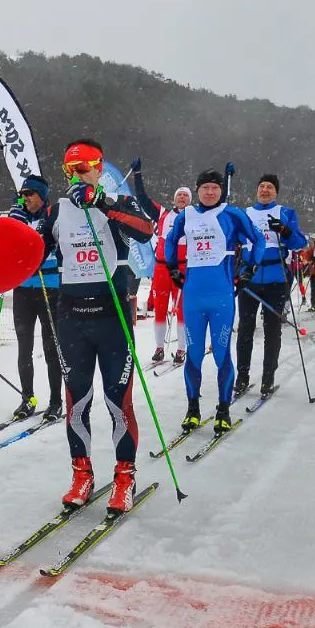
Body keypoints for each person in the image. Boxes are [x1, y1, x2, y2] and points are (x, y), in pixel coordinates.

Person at [32, 138, 153, 514]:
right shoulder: (58, 210)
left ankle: (124, 476)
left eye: (84, 167)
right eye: (71, 169)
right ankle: (82, 474)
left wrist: (103, 204)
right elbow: (34, 252)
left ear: (99, 168)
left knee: (118, 403)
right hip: (72, 318)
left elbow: (146, 231)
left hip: (113, 316)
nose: (78, 174)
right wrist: (21, 232)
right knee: (77, 402)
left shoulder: (116, 202)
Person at [164, 168, 264, 434]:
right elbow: (170, 241)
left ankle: (223, 410)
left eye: (215, 188)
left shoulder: (233, 214)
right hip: (193, 297)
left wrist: (249, 269)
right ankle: (193, 409)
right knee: (193, 354)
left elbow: (259, 239)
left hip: (221, 298)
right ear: (197, 190)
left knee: (221, 354)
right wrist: (172, 267)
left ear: (221, 191)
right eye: (205, 188)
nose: (210, 192)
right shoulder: (187, 215)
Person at [235, 173, 306, 396]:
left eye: (270, 187)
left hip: (276, 279)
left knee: (272, 331)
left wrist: (284, 231)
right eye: (262, 186)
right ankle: (242, 376)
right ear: (257, 190)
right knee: (245, 329)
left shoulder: (285, 213)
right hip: (250, 278)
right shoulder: (246, 213)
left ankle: (268, 377)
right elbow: (233, 240)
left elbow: (300, 243)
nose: (265, 190)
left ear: (276, 192)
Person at [6, 175, 64, 422]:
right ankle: (27, 398)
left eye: (29, 193)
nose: (25, 198)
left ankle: (55, 401)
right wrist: (12, 227)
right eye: (22, 194)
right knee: (24, 347)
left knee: (51, 348)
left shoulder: (53, 215)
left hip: (49, 287)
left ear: (41, 194)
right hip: (22, 290)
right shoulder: (17, 216)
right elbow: (7, 248)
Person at [149, 187, 191, 364]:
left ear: (190, 199)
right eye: (179, 195)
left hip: (182, 267)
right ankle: (159, 347)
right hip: (161, 269)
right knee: (160, 308)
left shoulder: (195, 215)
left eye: (185, 195)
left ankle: (181, 349)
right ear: (174, 199)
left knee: (182, 310)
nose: (182, 197)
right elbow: (144, 199)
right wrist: (137, 175)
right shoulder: (163, 214)